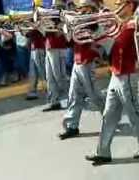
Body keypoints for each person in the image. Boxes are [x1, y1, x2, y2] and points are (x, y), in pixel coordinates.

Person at [85, 0, 139, 163]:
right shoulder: (120, 25)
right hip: (115, 73)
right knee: (108, 115)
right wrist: (95, 29)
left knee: (134, 113)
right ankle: (103, 152)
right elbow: (108, 45)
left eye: (121, 3)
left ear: (130, 5)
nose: (117, 6)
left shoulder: (135, 24)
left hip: (127, 74)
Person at [58, 0, 105, 140]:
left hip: (87, 62)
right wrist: (65, 27)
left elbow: (94, 34)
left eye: (83, 8)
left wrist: (78, 22)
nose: (80, 10)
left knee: (94, 95)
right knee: (73, 95)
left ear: (90, 8)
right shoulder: (79, 21)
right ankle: (72, 126)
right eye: (80, 8)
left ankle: (110, 118)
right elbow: (69, 42)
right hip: (77, 62)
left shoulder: (94, 21)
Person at [42, 0, 69, 112]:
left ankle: (74, 96)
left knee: (59, 76)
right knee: (50, 77)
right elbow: (44, 33)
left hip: (58, 48)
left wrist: (58, 26)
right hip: (49, 47)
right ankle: (54, 102)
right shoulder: (48, 17)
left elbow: (63, 32)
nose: (53, 8)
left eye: (55, 7)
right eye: (53, 6)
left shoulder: (64, 17)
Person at [26, 29, 46, 100]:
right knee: (33, 71)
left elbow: (31, 33)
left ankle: (49, 89)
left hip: (39, 47)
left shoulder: (38, 21)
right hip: (34, 48)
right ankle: (32, 91)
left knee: (42, 70)